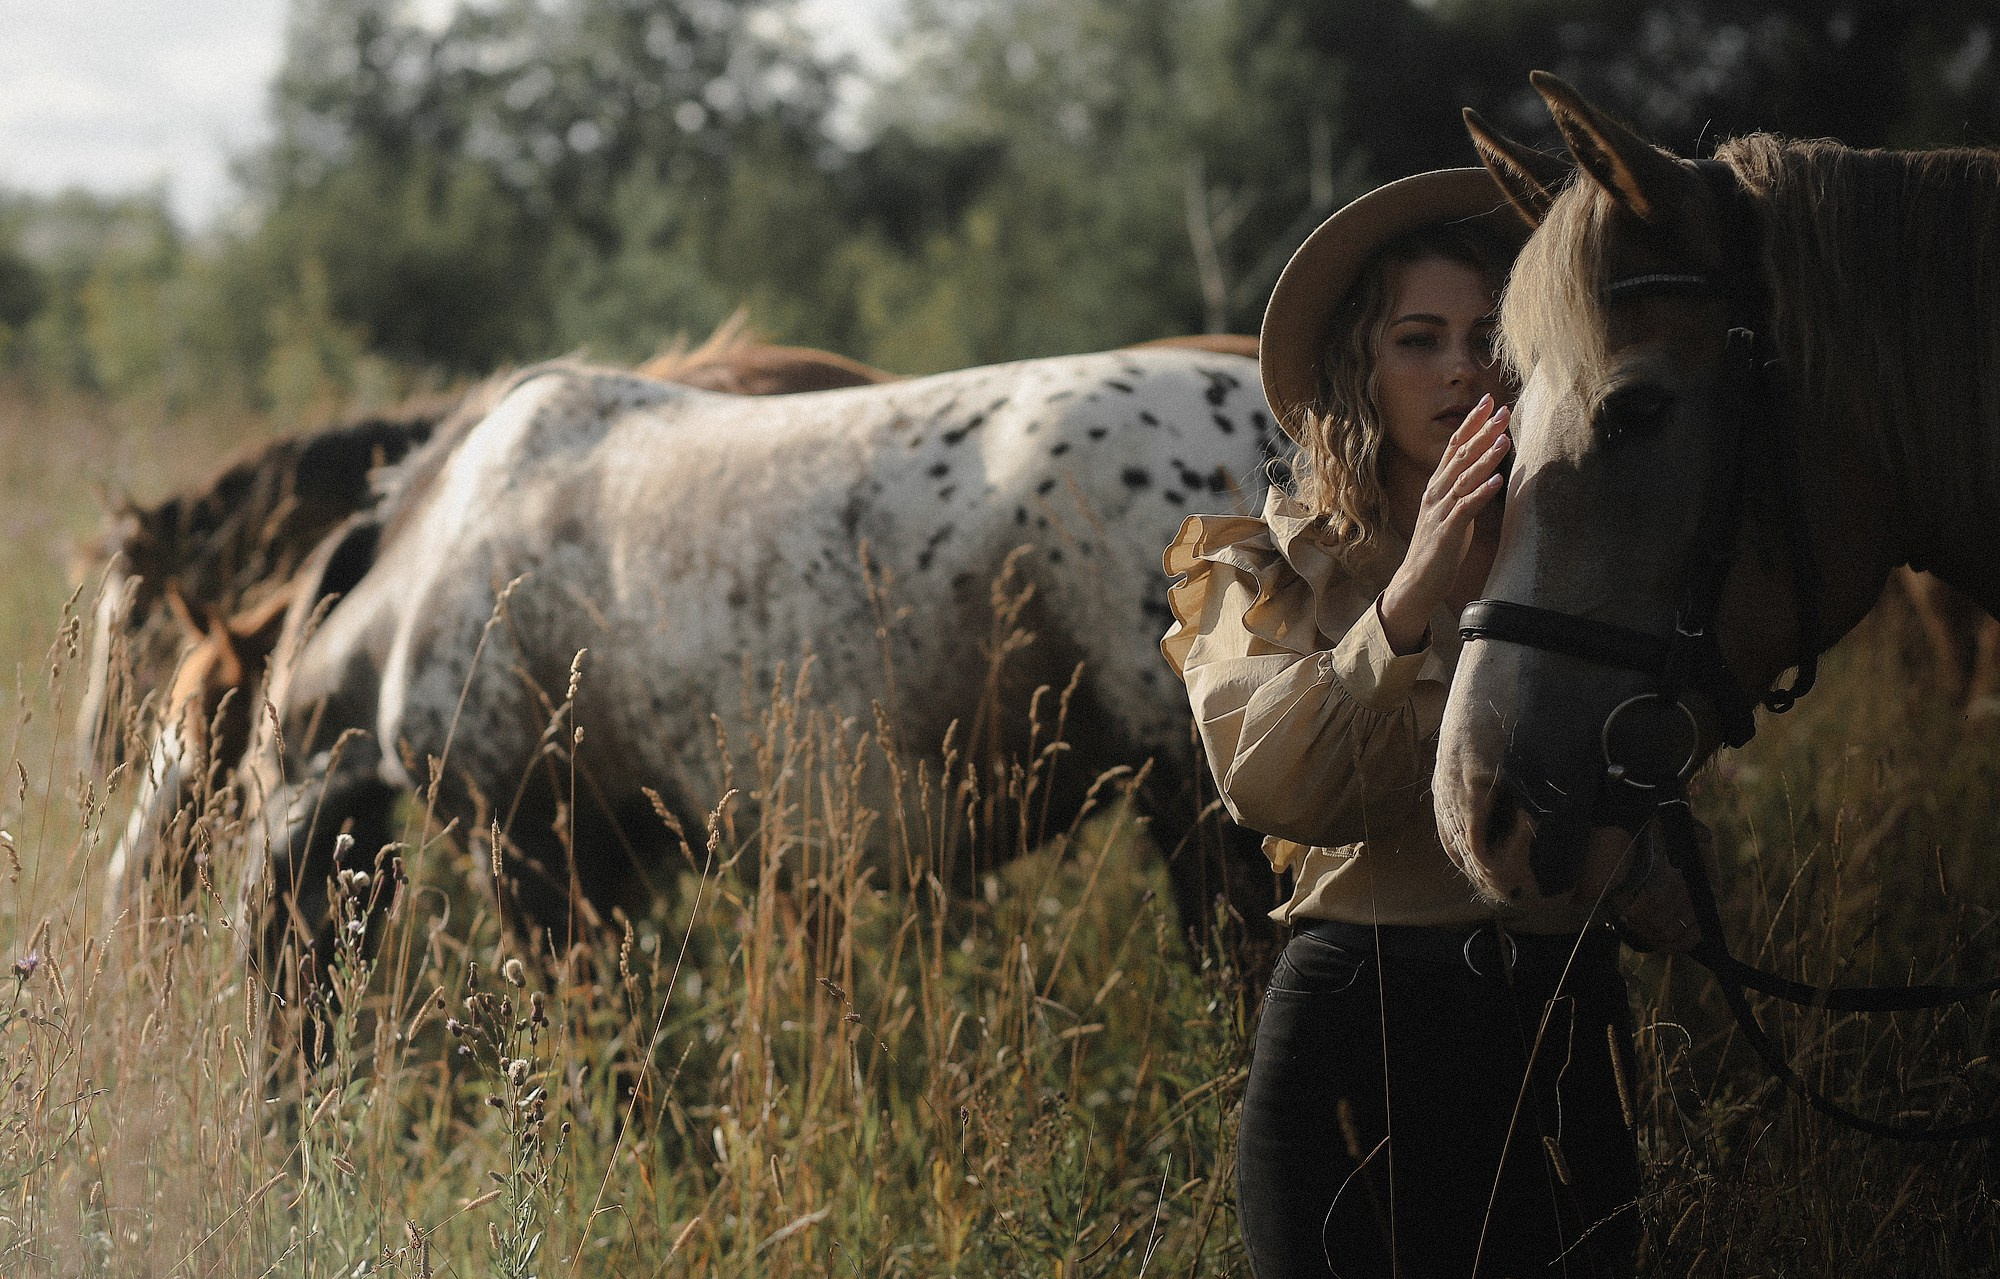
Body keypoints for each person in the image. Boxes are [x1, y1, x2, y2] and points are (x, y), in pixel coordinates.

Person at [1161, 170, 1642, 1278]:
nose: (1462, 369)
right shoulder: (1275, 566)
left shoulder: (1594, 557)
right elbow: (1270, 787)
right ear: (1359, 368)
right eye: (1418, 340)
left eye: (1489, 338)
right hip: (1355, 1024)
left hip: (1558, 1019)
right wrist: (1410, 593)